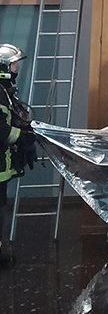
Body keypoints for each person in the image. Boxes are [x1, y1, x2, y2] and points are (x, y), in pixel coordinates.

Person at [0, 43, 36, 267]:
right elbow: (2, 131)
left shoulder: (4, 92)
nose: (16, 69)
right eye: (13, 64)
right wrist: (24, 139)